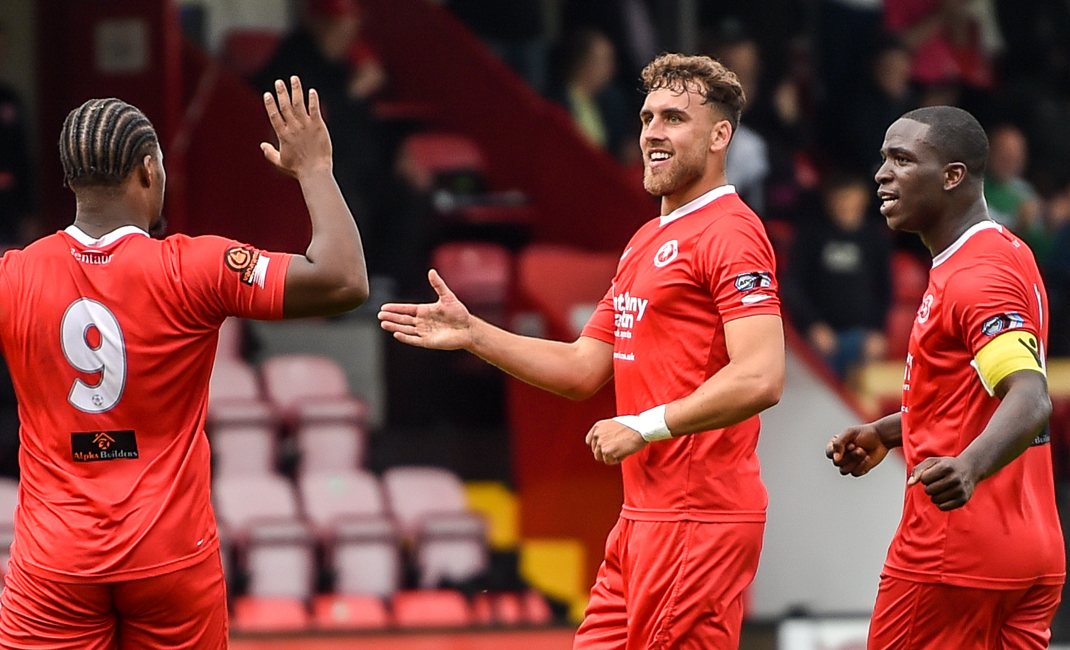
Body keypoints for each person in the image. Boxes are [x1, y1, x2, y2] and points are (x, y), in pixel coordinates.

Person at [380, 53, 785, 649]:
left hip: (697, 517)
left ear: (720, 135)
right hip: (642, 518)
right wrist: (474, 334)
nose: (653, 132)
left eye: (675, 118)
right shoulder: (645, 240)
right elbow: (581, 368)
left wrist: (643, 426)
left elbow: (761, 377)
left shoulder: (731, 232)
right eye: (647, 118)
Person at [0, 76, 369, 647]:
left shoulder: (14, 276)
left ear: (71, 180)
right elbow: (344, 280)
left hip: (56, 560)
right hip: (170, 556)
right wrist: (315, 170)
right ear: (149, 171)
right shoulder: (195, 268)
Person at [826, 105, 1065, 649]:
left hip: (953, 552)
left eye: (902, 160)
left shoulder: (975, 276)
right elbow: (975, 396)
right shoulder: (1007, 251)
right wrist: (889, 431)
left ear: (953, 175)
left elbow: (1030, 397)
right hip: (1033, 548)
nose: (881, 174)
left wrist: (970, 467)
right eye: (883, 158)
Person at [782, 171, 891, 381]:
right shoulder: (811, 235)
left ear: (862, 199)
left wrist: (878, 331)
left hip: (862, 339)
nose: (845, 205)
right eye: (840, 199)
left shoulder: (875, 239)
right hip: (819, 339)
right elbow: (793, 285)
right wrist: (812, 325)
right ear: (829, 199)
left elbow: (884, 290)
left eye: (850, 199)